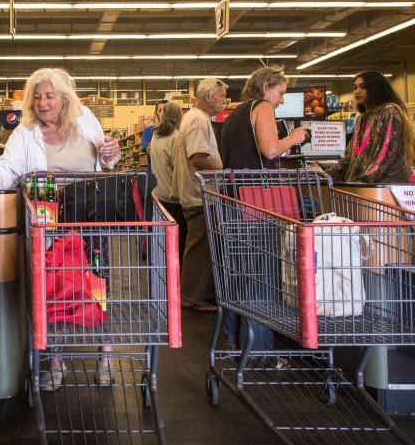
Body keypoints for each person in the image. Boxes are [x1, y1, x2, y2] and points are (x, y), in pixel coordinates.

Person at [0, 67, 120, 391]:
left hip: (89, 214)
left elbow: (106, 160)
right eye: (36, 96)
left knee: (97, 282)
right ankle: (56, 362)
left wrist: (111, 155)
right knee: (54, 287)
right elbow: (8, 165)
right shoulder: (25, 131)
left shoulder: (86, 119)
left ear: (65, 98)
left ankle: (106, 355)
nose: (42, 102)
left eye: (49, 96)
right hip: (48, 217)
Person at [219, 67, 309, 351]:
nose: (281, 100)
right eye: (280, 92)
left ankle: (234, 340)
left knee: (238, 272)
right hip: (257, 200)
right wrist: (294, 138)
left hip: (233, 197)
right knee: (262, 275)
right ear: (267, 87)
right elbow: (270, 150)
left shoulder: (236, 113)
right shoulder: (264, 106)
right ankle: (257, 349)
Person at [172, 78, 227, 312]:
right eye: (222, 95)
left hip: (195, 193)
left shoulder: (196, 118)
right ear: (207, 96)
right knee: (199, 248)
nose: (226, 100)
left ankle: (195, 294)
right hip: (199, 194)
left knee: (200, 245)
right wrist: (225, 174)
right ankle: (190, 297)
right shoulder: (197, 120)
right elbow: (198, 158)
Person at [328, 70, 415, 184]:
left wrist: (361, 181)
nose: (357, 91)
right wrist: (326, 175)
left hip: (385, 187)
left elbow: (385, 156)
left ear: (376, 88)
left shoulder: (389, 112)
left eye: (363, 87)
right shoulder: (362, 118)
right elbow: (349, 157)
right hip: (364, 188)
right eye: (355, 87)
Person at [149, 101, 187, 264]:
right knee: (180, 243)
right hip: (174, 197)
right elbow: (180, 168)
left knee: (165, 243)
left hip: (159, 195)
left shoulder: (156, 136)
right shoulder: (176, 137)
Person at [142, 100, 168, 172]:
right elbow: (150, 152)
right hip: (154, 175)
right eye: (160, 110)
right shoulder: (149, 131)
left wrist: (155, 147)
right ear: (155, 113)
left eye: (166, 110)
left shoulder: (176, 131)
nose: (163, 114)